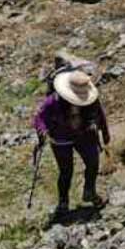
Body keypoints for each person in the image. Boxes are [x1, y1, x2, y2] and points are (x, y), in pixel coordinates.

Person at [33, 67, 110, 223]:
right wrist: (42, 130)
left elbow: (99, 113)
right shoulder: (54, 101)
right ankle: (63, 203)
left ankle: (89, 191)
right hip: (61, 137)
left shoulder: (91, 99)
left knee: (93, 162)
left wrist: (105, 132)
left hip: (84, 133)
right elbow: (40, 117)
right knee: (66, 171)